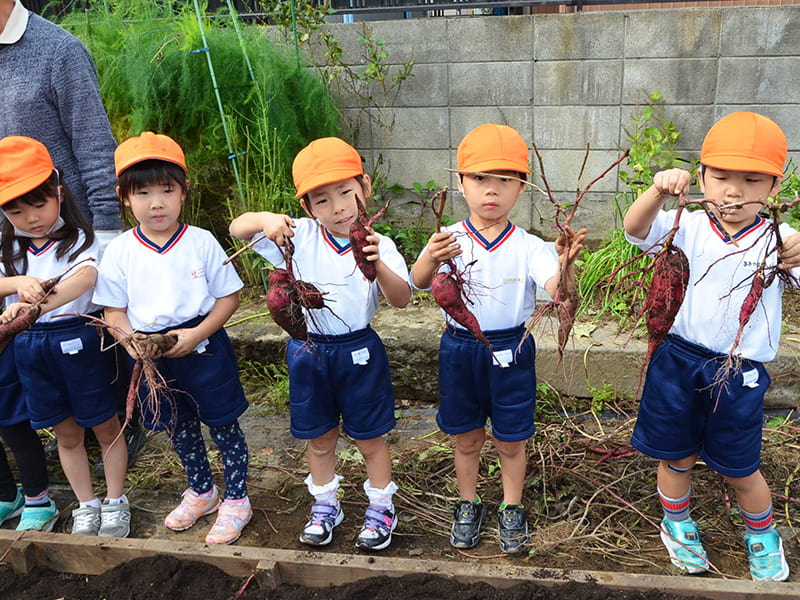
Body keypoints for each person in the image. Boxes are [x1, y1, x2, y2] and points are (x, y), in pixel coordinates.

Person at [623, 111, 800, 582]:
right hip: (678, 360)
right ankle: (677, 523)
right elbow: (636, 229)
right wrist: (658, 191)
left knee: (742, 467)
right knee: (676, 456)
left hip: (740, 371)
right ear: (700, 177)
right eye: (720, 177)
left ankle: (762, 535)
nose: (734, 191)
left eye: (751, 180)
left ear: (775, 188)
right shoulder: (690, 226)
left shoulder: (782, 241)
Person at [229, 137, 411, 551]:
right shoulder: (298, 237)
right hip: (308, 349)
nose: (339, 207)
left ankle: (382, 507)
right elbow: (236, 228)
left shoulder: (380, 243)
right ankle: (326, 504)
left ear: (364, 187)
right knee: (320, 437)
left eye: (346, 192)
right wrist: (265, 218)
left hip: (359, 350)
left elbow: (401, 299)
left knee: (370, 437)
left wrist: (375, 261)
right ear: (308, 207)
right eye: (322, 200)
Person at [410, 123, 585, 554]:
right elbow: (416, 282)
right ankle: (468, 503)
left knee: (511, 438)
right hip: (460, 349)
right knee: (467, 436)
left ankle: (511, 507)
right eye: (481, 179)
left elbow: (557, 292)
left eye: (505, 181)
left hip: (511, 348)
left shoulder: (530, 246)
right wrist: (430, 257)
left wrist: (565, 265)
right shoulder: (447, 240)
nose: (492, 191)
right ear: (461, 182)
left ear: (522, 187)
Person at [0, 0, 147, 469]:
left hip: (72, 227)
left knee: (93, 334)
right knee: (33, 337)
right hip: (10, 232)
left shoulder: (56, 50)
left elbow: (92, 141)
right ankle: (65, 432)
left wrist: (106, 232)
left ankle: (120, 425)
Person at [93, 132, 252, 546]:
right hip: (149, 353)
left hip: (204, 347)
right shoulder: (122, 250)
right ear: (123, 197)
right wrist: (130, 342)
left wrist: (198, 333)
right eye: (142, 192)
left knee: (223, 423)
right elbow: (113, 309)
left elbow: (229, 297)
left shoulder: (201, 241)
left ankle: (237, 498)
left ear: (184, 192)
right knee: (178, 425)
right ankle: (202, 490)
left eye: (167, 189)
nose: (156, 202)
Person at [0, 135, 129, 537]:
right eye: (17, 211)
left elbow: (85, 278)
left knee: (105, 425)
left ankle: (115, 501)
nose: (32, 218)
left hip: (80, 342)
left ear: (58, 189)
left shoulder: (81, 239)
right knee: (66, 432)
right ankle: (86, 505)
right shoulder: (10, 254)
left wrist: (34, 305)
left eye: (39, 203)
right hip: (32, 350)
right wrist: (18, 283)